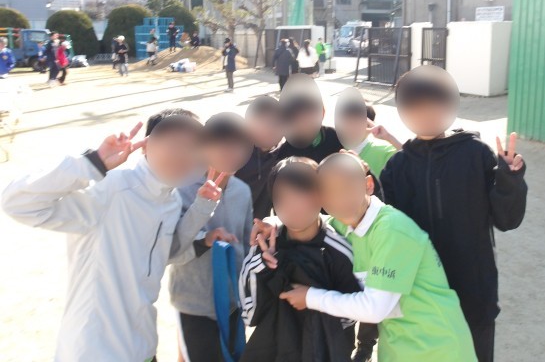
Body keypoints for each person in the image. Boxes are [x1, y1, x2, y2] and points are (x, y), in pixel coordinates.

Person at [1, 110, 229, 361]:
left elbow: (162, 256)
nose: (183, 155)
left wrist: (202, 218)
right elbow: (18, 203)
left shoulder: (171, 200)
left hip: (143, 347)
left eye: (194, 147)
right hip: (95, 352)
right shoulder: (110, 189)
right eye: (174, 144)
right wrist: (93, 162)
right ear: (146, 146)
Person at [379, 65, 528, 362]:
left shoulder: (476, 154)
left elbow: (507, 220)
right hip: (423, 294)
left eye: (434, 105)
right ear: (403, 112)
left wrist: (510, 180)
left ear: (450, 105)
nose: (426, 115)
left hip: (474, 290)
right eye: (416, 107)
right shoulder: (396, 168)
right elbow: (387, 231)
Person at [277, 152, 477, 362]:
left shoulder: (392, 229)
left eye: (348, 187)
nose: (340, 198)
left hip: (439, 348)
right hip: (397, 348)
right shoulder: (345, 224)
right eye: (330, 192)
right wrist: (271, 225)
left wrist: (310, 297)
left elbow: (374, 308)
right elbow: (308, 222)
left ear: (368, 185)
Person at [239, 157, 362, 362]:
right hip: (272, 351)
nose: (293, 206)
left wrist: (314, 300)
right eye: (283, 198)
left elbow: (350, 317)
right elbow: (249, 314)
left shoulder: (340, 249)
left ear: (321, 196)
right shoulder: (266, 245)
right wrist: (264, 266)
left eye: (302, 194)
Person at [170, 112, 254, 362]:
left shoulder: (242, 191)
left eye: (239, 144)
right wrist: (206, 239)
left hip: (232, 305)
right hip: (194, 306)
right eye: (221, 144)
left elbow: (246, 247)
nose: (231, 152)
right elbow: (171, 250)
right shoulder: (181, 189)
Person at [235, 96, 284, 219]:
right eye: (262, 123)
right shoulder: (233, 154)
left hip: (259, 227)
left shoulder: (283, 156)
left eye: (276, 123)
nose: (269, 129)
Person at [334, 88, 400, 179]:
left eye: (354, 122)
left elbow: (415, 162)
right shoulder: (333, 145)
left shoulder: (385, 152)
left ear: (369, 124)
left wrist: (389, 137)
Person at [277, 75, 343, 164]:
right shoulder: (285, 153)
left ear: (323, 112)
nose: (304, 122)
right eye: (297, 117)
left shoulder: (336, 137)